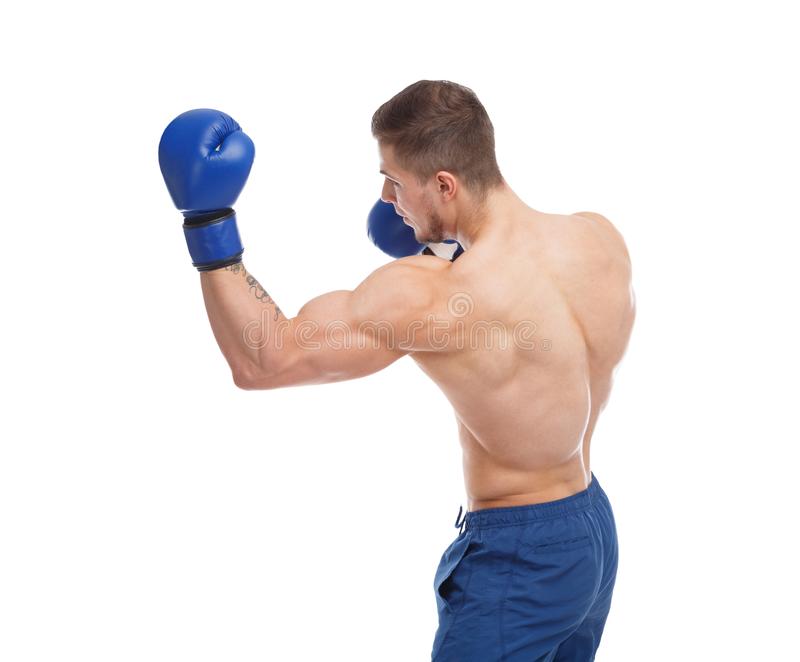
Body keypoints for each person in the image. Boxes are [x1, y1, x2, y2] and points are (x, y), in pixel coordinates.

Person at [159, 79, 636, 661]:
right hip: (592, 530)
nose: (387, 199)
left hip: (519, 560)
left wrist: (210, 220)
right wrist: (442, 245)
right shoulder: (598, 238)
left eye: (393, 181)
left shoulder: (431, 296)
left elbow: (265, 359)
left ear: (444, 185)